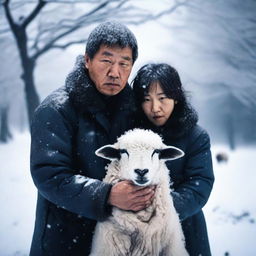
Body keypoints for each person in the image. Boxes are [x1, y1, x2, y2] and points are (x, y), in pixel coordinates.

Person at [29, 22, 155, 256]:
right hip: (66, 239)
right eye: (106, 61)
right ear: (87, 60)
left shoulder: (137, 110)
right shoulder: (56, 109)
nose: (115, 72)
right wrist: (107, 195)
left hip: (121, 242)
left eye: (124, 64)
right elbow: (49, 175)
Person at [132, 63, 215, 256]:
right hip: (135, 230)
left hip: (184, 226)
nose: (155, 108)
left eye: (162, 98)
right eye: (146, 99)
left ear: (176, 98)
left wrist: (159, 210)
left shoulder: (195, 136)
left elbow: (199, 184)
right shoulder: (132, 134)